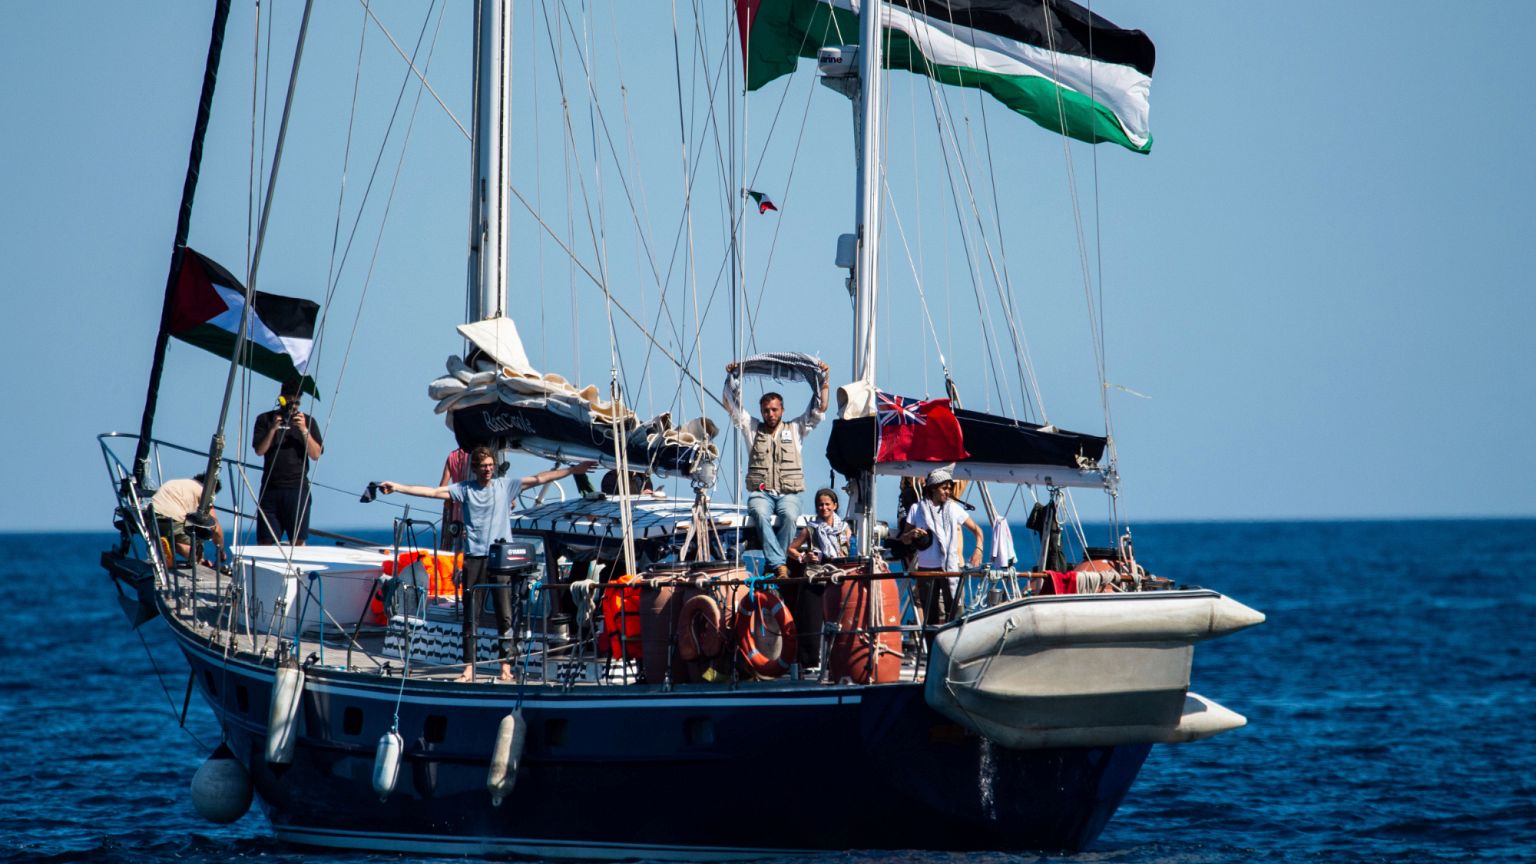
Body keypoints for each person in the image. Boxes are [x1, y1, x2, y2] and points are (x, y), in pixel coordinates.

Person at [379, 448, 595, 682]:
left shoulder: (506, 486)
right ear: (475, 468)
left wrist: (574, 470)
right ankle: (469, 668)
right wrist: (398, 487)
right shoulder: (464, 490)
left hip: (500, 558)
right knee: (471, 617)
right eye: (484, 466)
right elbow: (432, 492)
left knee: (505, 615)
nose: (489, 469)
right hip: (474, 559)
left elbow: (540, 478)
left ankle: (505, 666)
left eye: (491, 465)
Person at [725, 359, 830, 578]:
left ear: (782, 410)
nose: (770, 414)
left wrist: (824, 380)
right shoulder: (752, 429)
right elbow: (731, 404)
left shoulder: (796, 429)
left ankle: (776, 563)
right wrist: (731, 377)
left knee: (790, 517)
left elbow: (820, 407)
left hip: (788, 494)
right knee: (760, 515)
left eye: (774, 410)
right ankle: (779, 565)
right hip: (761, 493)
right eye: (766, 411)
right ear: (761, 412)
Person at [899, 466, 984, 624]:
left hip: (950, 569)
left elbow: (978, 530)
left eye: (950, 488)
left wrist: (978, 549)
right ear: (932, 489)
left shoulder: (954, 509)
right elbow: (904, 539)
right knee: (930, 618)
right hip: (926, 571)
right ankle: (931, 646)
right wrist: (912, 535)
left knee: (955, 615)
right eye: (944, 488)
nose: (948, 491)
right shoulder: (917, 509)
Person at [252, 379, 323, 545]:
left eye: (297, 403)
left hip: (296, 488)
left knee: (297, 541)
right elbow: (259, 450)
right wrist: (272, 430)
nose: (293, 407)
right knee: (265, 542)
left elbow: (315, 454)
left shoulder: (308, 421)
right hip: (271, 488)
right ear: (281, 399)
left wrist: (304, 430)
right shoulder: (265, 419)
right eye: (290, 402)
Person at [149, 473, 226, 563]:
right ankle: (197, 559)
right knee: (197, 539)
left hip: (151, 518)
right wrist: (221, 551)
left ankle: (169, 545)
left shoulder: (178, 483)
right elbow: (215, 529)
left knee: (179, 532)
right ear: (212, 491)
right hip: (173, 522)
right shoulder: (205, 493)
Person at [787, 488, 850, 566]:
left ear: (835, 506)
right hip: (817, 571)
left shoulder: (844, 528)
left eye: (827, 504)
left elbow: (851, 551)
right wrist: (804, 557)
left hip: (842, 569)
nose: (824, 508)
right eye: (821, 505)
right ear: (816, 507)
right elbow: (790, 549)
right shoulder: (809, 529)